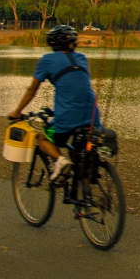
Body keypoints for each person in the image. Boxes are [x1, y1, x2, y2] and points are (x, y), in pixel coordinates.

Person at [9, 24, 98, 182]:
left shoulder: (47, 60)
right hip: (92, 115)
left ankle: (60, 161)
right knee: (79, 152)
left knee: (43, 138)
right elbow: (77, 87)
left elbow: (32, 89)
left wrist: (17, 111)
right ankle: (83, 191)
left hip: (68, 117)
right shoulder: (82, 58)